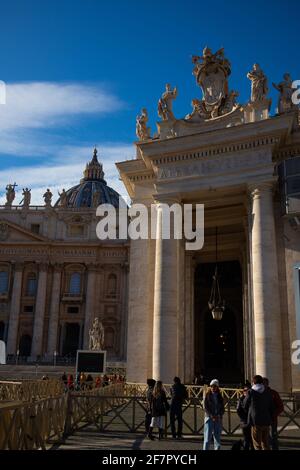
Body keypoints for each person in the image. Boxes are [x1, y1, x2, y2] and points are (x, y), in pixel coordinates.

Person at [243, 375, 275, 450]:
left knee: (257, 444)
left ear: (253, 382)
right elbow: (272, 407)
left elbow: (244, 404)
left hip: (255, 421)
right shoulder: (267, 392)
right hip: (266, 420)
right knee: (266, 443)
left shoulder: (251, 392)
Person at [203, 379, 224, 450]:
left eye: (214, 386)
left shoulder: (220, 397)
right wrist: (211, 416)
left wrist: (218, 415)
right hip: (209, 418)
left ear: (217, 387)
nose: (212, 388)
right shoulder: (207, 395)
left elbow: (222, 408)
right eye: (211, 386)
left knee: (217, 439)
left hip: (218, 418)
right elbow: (206, 407)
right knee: (207, 438)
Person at [263, 377, 284, 450]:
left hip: (272, 420)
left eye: (263, 384)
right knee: (264, 439)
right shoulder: (258, 393)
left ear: (267, 384)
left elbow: (281, 407)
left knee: (273, 438)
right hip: (261, 420)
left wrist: (273, 414)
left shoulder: (274, 393)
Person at [236, 384, 253, 450]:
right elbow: (238, 410)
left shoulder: (252, 399)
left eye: (248, 390)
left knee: (252, 440)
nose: (246, 392)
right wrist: (245, 419)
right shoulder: (241, 399)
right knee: (246, 439)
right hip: (245, 422)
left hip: (252, 422)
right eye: (245, 390)